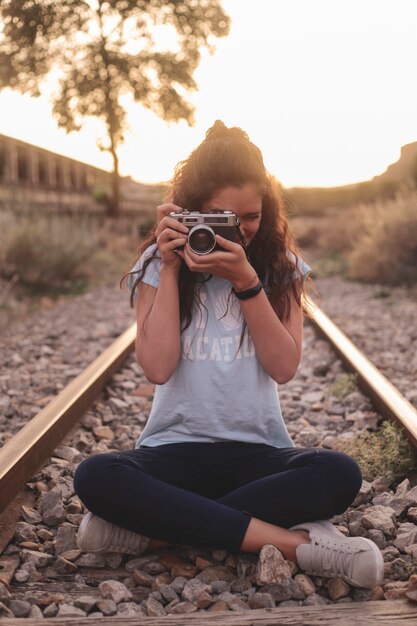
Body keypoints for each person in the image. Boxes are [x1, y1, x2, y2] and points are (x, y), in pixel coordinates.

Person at [74, 121, 383, 589]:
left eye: (250, 217)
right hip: (173, 452)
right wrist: (173, 268)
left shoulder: (279, 268)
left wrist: (246, 282)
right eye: (221, 217)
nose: (238, 231)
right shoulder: (158, 266)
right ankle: (299, 545)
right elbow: (157, 368)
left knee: (338, 472)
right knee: (96, 475)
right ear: (190, 212)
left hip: (258, 453)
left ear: (267, 209)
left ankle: (158, 531)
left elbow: (284, 367)